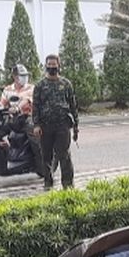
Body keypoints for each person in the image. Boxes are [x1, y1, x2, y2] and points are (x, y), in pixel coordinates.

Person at [32, 54, 79, 190]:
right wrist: (36, 125)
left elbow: (73, 105)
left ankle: (68, 185)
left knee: (63, 155)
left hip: (62, 126)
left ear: (59, 66)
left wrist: (76, 126)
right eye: (49, 65)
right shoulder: (40, 86)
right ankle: (48, 182)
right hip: (45, 127)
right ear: (46, 66)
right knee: (46, 156)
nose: (52, 67)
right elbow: (35, 106)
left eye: (54, 65)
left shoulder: (66, 84)